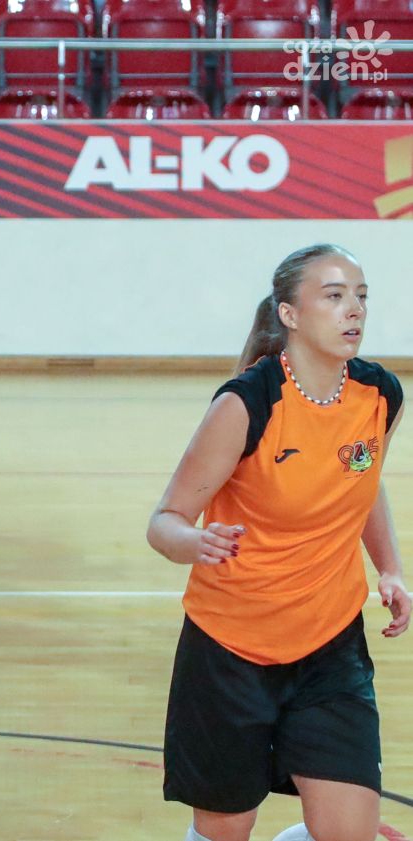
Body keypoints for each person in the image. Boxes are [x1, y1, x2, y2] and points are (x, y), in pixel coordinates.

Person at [146, 244, 411, 841]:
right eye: (334, 296)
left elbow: (364, 480)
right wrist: (194, 542)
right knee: (224, 832)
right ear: (289, 314)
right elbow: (164, 520)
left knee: (349, 833)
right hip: (230, 651)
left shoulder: (379, 395)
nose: (354, 310)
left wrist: (390, 569)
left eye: (361, 296)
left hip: (330, 647)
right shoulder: (246, 404)